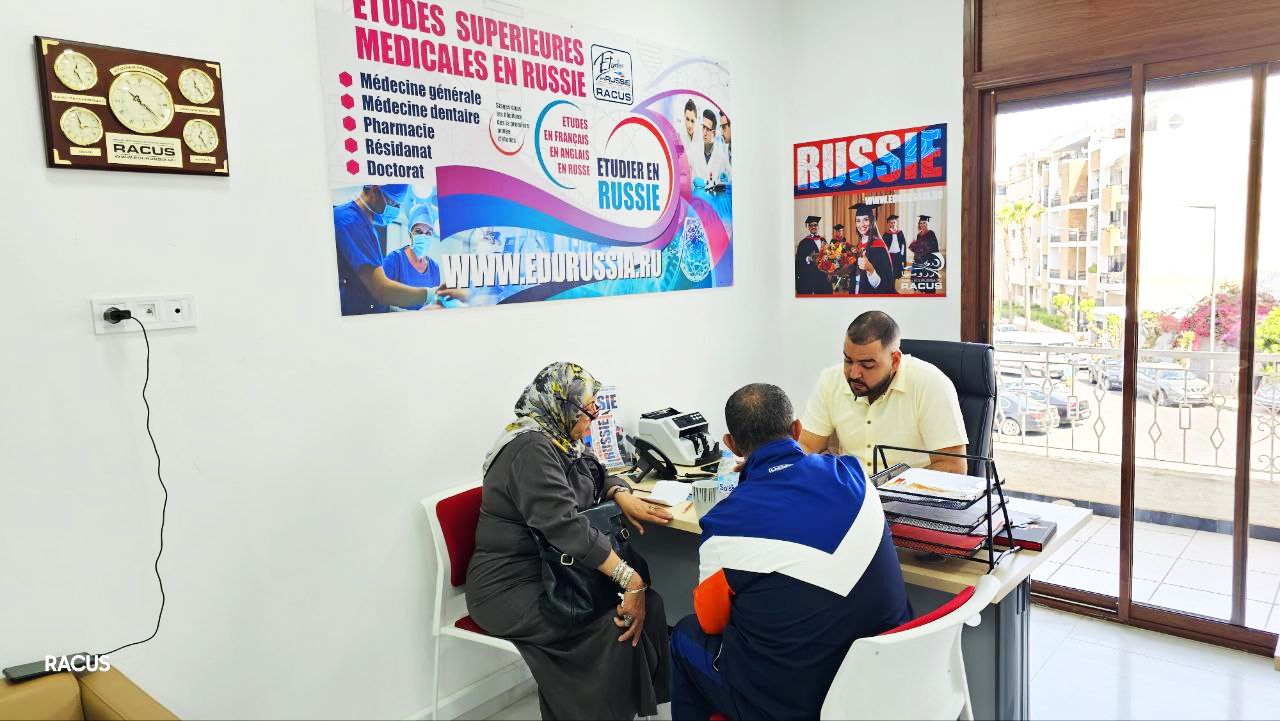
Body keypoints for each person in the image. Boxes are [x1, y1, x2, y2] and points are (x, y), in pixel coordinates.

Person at [670, 383, 912, 721]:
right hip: (885, 682)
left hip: (795, 706)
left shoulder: (723, 524)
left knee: (685, 635)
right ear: (797, 429)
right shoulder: (854, 475)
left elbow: (711, 623)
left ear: (732, 445)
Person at [466, 362, 674, 720]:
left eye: (595, 407)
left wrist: (620, 493)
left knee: (649, 605)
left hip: (558, 569)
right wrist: (629, 579)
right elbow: (564, 527)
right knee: (611, 625)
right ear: (559, 405)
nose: (593, 416)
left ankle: (626, 711)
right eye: (587, 408)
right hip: (511, 584)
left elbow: (597, 473)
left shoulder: (561, 439)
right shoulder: (530, 448)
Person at [800, 311, 968, 472]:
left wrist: (890, 489)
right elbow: (807, 447)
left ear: (894, 360)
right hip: (852, 493)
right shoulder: (831, 380)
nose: (854, 373)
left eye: (867, 364)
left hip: (908, 496)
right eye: (848, 360)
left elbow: (953, 466)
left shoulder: (930, 383)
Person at [333, 184, 437, 315]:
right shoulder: (351, 222)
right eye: (393, 203)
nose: (396, 210)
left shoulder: (366, 226)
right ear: (374, 190)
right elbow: (381, 290)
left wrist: (398, 312)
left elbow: (374, 299)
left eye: (429, 233)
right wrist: (431, 294)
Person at [381, 205, 469, 310]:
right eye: (418, 231)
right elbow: (381, 298)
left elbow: (434, 301)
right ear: (410, 234)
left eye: (428, 233)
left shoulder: (434, 267)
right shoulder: (395, 260)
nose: (424, 236)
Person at [850, 203, 894, 295]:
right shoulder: (859, 245)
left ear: (872, 221)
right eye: (858, 220)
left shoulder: (879, 248)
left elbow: (885, 286)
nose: (861, 224)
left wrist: (870, 269)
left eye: (866, 220)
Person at [794, 215, 830, 295]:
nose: (813, 227)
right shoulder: (803, 243)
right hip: (810, 276)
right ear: (808, 227)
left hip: (822, 275)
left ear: (818, 226)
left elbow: (829, 255)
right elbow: (798, 260)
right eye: (811, 225)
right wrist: (808, 258)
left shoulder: (823, 240)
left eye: (815, 225)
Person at [910, 214, 941, 295]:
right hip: (920, 261)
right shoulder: (918, 235)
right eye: (921, 223)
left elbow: (935, 247)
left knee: (929, 283)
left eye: (924, 223)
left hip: (929, 260)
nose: (922, 225)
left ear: (927, 224)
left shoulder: (931, 233)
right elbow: (917, 249)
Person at [701, 109, 730, 189]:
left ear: (714, 133)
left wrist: (723, 181)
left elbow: (722, 184)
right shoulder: (693, 151)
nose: (704, 133)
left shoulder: (720, 157)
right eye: (703, 127)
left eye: (708, 129)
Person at [680, 99, 706, 184]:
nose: (689, 125)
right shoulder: (680, 132)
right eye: (687, 119)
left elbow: (700, 163)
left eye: (692, 121)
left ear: (696, 120)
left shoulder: (700, 133)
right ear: (684, 115)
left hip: (699, 179)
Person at [883, 214, 908, 281]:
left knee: (897, 272)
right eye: (891, 223)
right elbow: (884, 246)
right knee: (890, 272)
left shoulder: (900, 232)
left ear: (896, 223)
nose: (893, 224)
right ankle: (891, 287)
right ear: (889, 224)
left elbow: (903, 244)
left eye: (894, 222)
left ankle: (895, 288)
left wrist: (902, 254)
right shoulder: (886, 234)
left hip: (898, 255)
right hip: (890, 255)